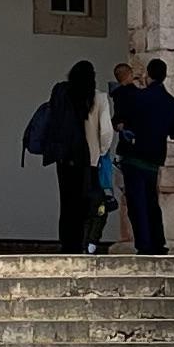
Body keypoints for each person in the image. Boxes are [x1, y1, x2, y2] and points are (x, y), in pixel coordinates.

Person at [111, 56, 174, 257]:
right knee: (152, 202)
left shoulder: (135, 97)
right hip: (154, 159)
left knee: (136, 203)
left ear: (147, 75)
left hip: (134, 156)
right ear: (164, 76)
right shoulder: (172, 104)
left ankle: (144, 245)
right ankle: (158, 243)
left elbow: (119, 117)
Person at [25, 61, 101, 253]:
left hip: (62, 153)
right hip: (80, 153)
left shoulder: (61, 90)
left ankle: (67, 242)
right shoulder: (89, 95)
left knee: (66, 200)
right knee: (81, 200)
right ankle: (79, 241)